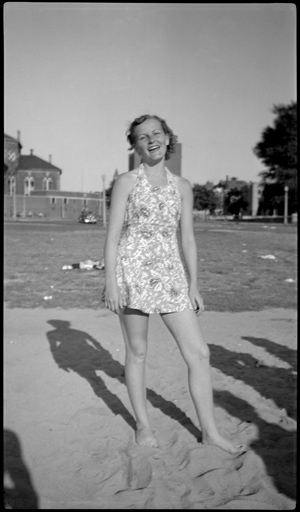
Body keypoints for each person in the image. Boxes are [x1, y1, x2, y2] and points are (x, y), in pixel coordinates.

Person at [103, 114, 246, 453]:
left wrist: (193, 285)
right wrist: (111, 283)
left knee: (199, 353)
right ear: (135, 145)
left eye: (156, 133)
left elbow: (189, 241)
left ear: (168, 138)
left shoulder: (183, 187)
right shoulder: (125, 182)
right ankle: (143, 425)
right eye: (141, 137)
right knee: (137, 352)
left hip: (171, 277)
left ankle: (210, 432)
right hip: (132, 274)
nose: (150, 139)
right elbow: (111, 239)